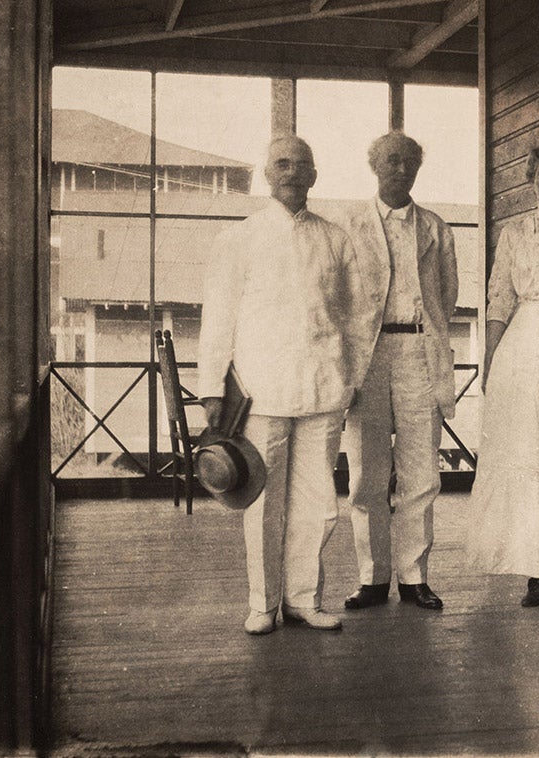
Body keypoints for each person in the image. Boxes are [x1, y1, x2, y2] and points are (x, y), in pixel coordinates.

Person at [198, 135, 370, 634]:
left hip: (323, 387)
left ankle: (302, 600)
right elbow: (219, 318)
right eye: (282, 164)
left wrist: (351, 378)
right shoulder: (240, 238)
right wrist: (212, 388)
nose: (293, 173)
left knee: (317, 505)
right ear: (267, 174)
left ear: (315, 176)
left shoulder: (336, 239)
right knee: (261, 501)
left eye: (302, 165)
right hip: (261, 390)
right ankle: (263, 603)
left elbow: (357, 320)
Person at [341, 132, 458, 612]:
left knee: (421, 472)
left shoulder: (435, 227)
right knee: (367, 473)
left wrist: (422, 334)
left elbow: (445, 297)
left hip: (417, 351)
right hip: (367, 357)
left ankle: (414, 577)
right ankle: (372, 578)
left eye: (410, 161)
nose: (401, 169)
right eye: (392, 161)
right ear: (374, 166)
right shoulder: (350, 225)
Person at [464, 141, 539, 607]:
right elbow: (500, 301)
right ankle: (538, 566)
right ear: (532, 178)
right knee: (530, 451)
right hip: (523, 345)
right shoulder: (514, 232)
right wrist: (490, 361)